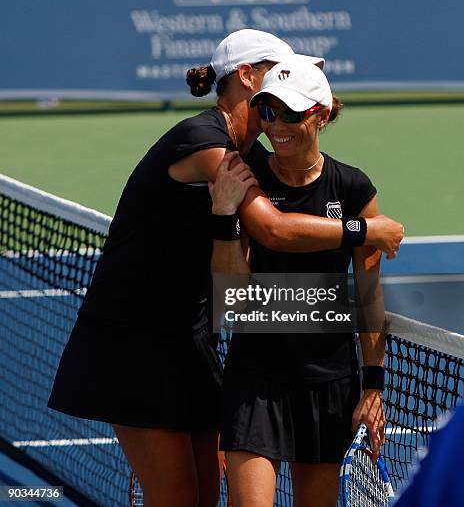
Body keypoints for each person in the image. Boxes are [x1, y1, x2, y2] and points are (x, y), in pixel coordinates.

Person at [48, 30, 402, 507]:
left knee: (204, 495)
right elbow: (273, 230)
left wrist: (342, 345)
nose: (279, 100)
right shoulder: (206, 143)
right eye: (273, 83)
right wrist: (363, 232)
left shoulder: (255, 155)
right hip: (134, 341)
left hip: (191, 338)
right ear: (246, 76)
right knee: (174, 496)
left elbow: (250, 296)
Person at [209, 55, 389, 507]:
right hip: (256, 379)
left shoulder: (352, 189)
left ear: (321, 115)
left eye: (291, 113)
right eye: (268, 111)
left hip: (329, 383)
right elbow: (231, 299)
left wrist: (373, 385)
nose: (277, 125)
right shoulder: (247, 175)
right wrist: (226, 216)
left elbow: (367, 295)